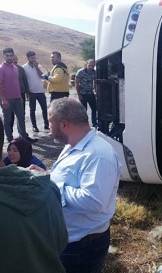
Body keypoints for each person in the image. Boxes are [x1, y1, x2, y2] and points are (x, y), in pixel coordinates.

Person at [29, 97, 122, 272]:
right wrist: (45, 176)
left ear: (64, 124)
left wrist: (50, 185)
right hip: (71, 241)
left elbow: (94, 201)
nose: (48, 127)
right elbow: (68, 180)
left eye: (50, 121)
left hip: (82, 247)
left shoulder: (97, 155)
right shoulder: (74, 145)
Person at [0, 116, 68, 273]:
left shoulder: (37, 167)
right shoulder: (48, 187)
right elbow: (61, 242)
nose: (11, 153)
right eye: (9, 149)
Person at [0, 47, 37, 143]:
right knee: (7, 120)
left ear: (13, 56)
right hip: (7, 99)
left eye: (11, 55)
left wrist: (21, 96)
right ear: (4, 56)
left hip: (18, 98)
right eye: (7, 56)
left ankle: (23, 138)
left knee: (21, 118)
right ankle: (10, 140)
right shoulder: (1, 69)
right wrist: (3, 99)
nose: (9, 57)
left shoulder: (16, 68)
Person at [22, 50, 50, 132]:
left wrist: (36, 67)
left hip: (40, 91)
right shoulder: (24, 67)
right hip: (31, 91)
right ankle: (34, 126)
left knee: (44, 109)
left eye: (34, 57)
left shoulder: (39, 66)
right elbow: (24, 80)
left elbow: (42, 76)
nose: (34, 59)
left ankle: (46, 124)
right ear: (28, 58)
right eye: (32, 58)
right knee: (32, 110)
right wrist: (27, 92)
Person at [76, 59, 97, 126]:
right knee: (84, 110)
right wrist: (79, 94)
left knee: (94, 109)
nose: (91, 67)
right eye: (89, 65)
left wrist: (95, 91)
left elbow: (94, 82)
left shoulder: (94, 72)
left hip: (90, 93)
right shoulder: (80, 72)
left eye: (92, 65)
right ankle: (84, 124)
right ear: (86, 64)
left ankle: (94, 123)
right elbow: (77, 84)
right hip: (83, 94)